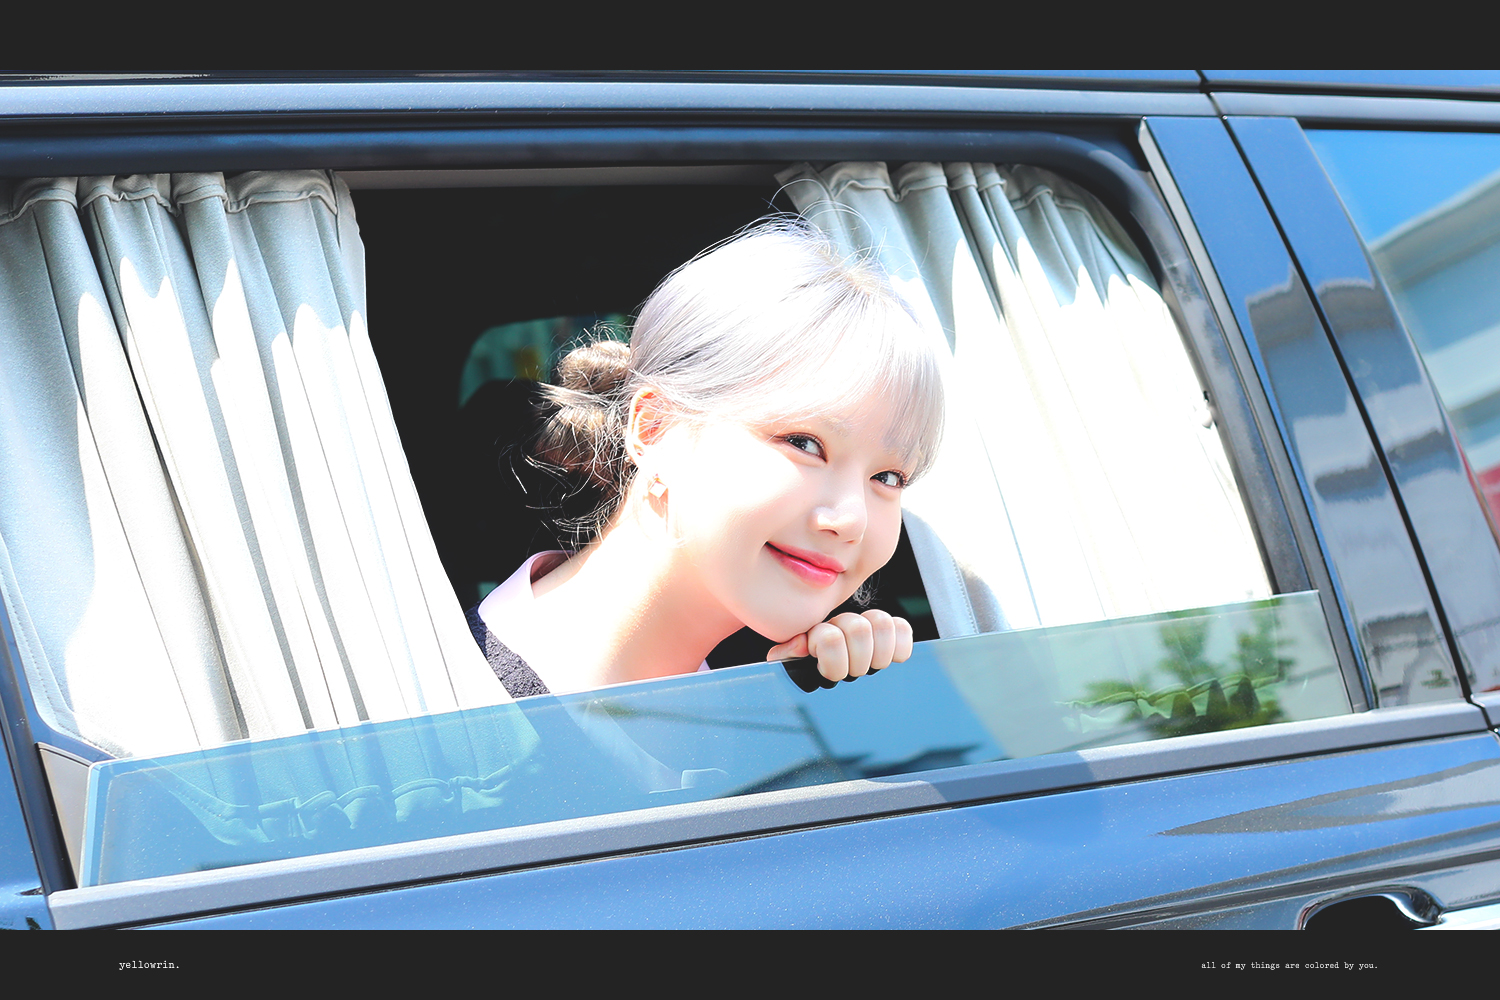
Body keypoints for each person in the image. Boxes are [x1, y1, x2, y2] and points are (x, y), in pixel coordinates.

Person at [467, 220, 944, 699]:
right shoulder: (452, 708)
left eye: (888, 476)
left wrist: (855, 705)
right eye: (803, 443)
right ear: (655, 430)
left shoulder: (782, 684)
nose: (852, 520)